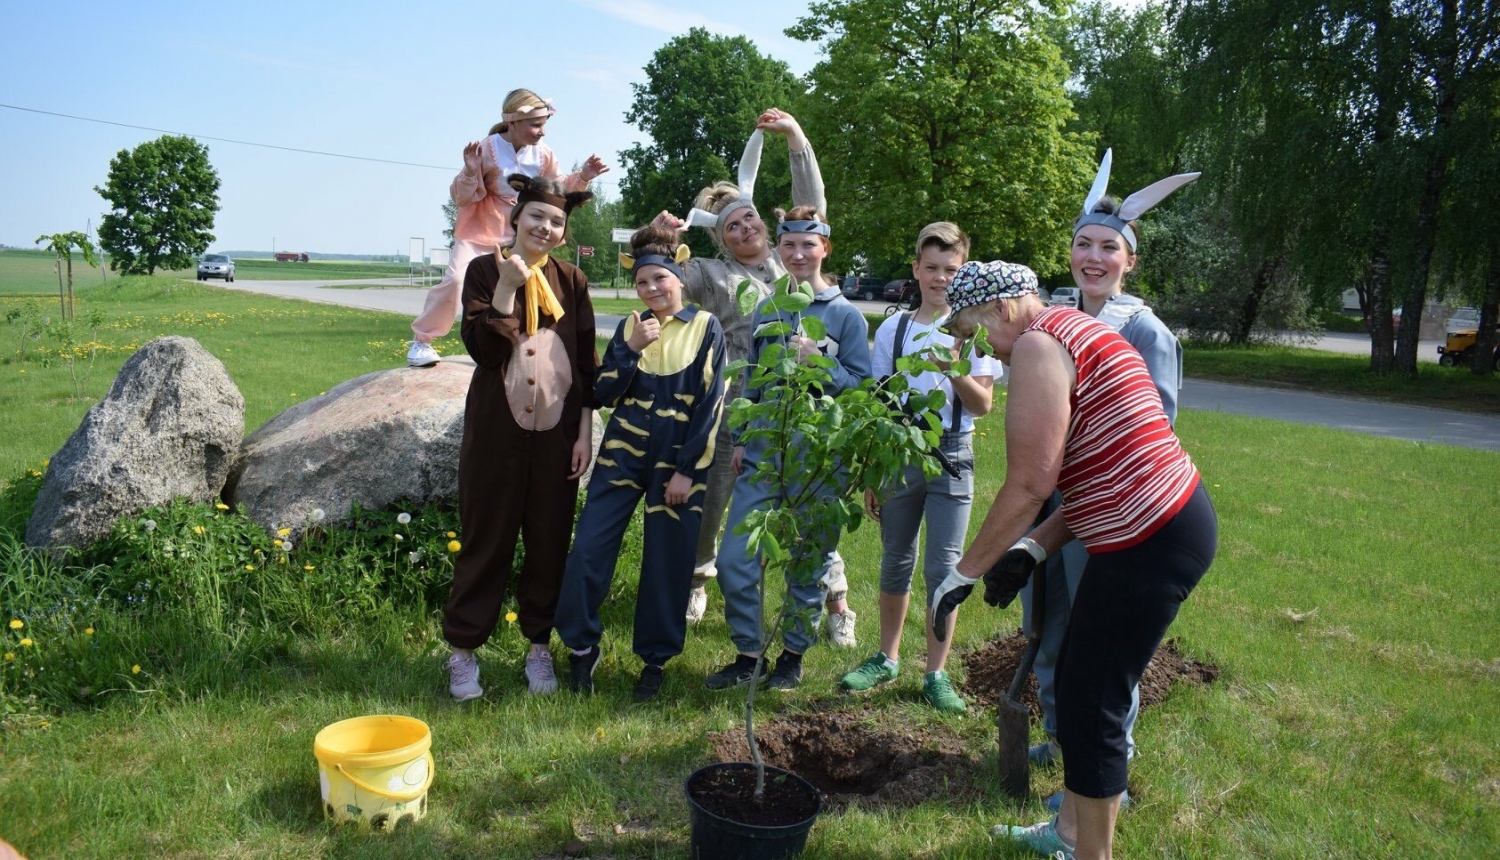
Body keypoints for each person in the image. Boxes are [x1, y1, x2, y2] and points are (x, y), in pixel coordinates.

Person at [927, 254, 1216, 860]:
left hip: (1151, 538)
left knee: (1093, 703)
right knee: (1090, 695)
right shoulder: (1074, 330)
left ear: (1004, 307)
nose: (982, 352)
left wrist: (962, 573)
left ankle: (1091, 855)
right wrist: (1031, 550)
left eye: (973, 331)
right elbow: (1094, 474)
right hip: (1160, 527)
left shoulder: (1036, 343)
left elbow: (1029, 484)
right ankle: (1068, 835)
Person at [1023, 151, 1191, 811]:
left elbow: (1157, 429)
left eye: (1108, 247)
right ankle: (1060, 734)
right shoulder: (1056, 320)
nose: (1094, 257)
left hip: (1111, 516)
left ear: (1129, 261)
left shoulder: (1145, 330)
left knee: (1103, 644)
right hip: (1053, 503)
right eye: (1083, 244)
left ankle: (1104, 777)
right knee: (1051, 624)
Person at [654, 108, 857, 645]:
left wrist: (796, 138)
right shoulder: (713, 274)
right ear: (721, 239)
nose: (747, 229)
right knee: (718, 494)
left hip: (805, 404)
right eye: (732, 226)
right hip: (737, 409)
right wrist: (662, 243)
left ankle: (834, 596)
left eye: (749, 219)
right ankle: (701, 575)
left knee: (812, 500)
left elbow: (813, 207)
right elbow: (665, 285)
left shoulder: (792, 263)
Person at [442, 173, 598, 701]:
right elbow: (485, 351)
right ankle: (463, 652)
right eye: (538, 216)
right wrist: (508, 287)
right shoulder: (485, 271)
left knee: (548, 545)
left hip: (557, 437)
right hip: (496, 436)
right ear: (516, 216)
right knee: (486, 541)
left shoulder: (572, 281)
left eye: (557, 221)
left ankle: (538, 647)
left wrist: (584, 435)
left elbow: (584, 365)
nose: (547, 227)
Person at [555, 226, 727, 701]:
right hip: (622, 456)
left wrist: (687, 471)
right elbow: (603, 392)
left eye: (660, 279)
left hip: (676, 466)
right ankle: (581, 648)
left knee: (667, 560)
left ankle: (654, 659)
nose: (652, 289)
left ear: (679, 277)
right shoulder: (633, 326)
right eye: (644, 282)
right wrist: (630, 349)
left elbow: (712, 404)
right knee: (589, 548)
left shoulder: (705, 326)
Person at [705, 206, 872, 692]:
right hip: (763, 455)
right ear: (779, 248)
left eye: (808, 244)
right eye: (790, 245)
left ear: (825, 248)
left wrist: (819, 359)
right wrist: (741, 437)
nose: (798, 254)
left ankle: (793, 653)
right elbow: (752, 381)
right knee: (736, 558)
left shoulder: (844, 316)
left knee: (809, 558)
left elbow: (861, 387)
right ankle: (749, 652)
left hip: (818, 460)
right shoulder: (769, 308)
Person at [838, 222, 997, 712]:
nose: (940, 278)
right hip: (898, 452)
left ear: (962, 271)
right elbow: (881, 398)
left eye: (950, 270)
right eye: (931, 268)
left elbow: (983, 406)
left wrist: (954, 367)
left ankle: (936, 673)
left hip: (952, 453)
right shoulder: (895, 328)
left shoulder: (976, 331)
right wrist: (871, 468)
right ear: (916, 269)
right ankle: (886, 657)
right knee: (896, 559)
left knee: (943, 567)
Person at [407, 88, 608, 368]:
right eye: (536, 125)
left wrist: (583, 177)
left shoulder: (544, 154)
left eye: (544, 124)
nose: (542, 132)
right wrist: (469, 170)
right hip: (482, 225)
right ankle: (422, 340)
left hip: (523, 228)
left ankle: (527, 346)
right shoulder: (487, 148)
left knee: (532, 284)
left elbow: (556, 191)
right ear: (513, 123)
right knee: (456, 280)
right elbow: (461, 198)